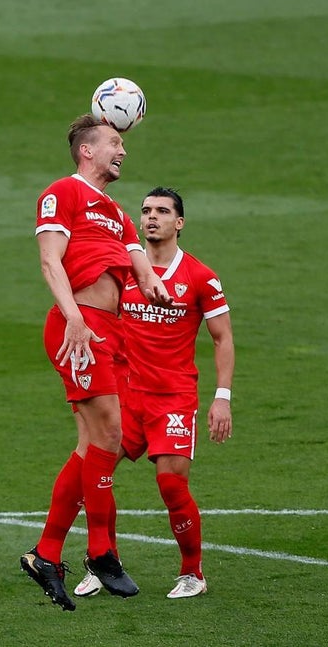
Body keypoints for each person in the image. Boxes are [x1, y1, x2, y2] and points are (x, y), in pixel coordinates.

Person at [20, 115, 173, 611]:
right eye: (114, 141)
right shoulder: (62, 192)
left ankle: (45, 554)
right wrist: (73, 319)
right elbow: (49, 261)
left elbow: (142, 265)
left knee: (96, 444)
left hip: (112, 330)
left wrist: (157, 287)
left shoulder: (118, 212)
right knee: (108, 433)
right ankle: (102, 551)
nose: (122, 151)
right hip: (78, 326)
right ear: (87, 150)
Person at [71, 187, 234, 600]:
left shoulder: (200, 276)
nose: (151, 217)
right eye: (145, 211)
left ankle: (192, 572)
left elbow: (222, 338)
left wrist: (222, 397)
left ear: (179, 223)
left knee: (172, 485)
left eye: (162, 211)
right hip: (123, 396)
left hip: (173, 398)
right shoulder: (123, 271)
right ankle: (104, 562)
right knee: (95, 476)